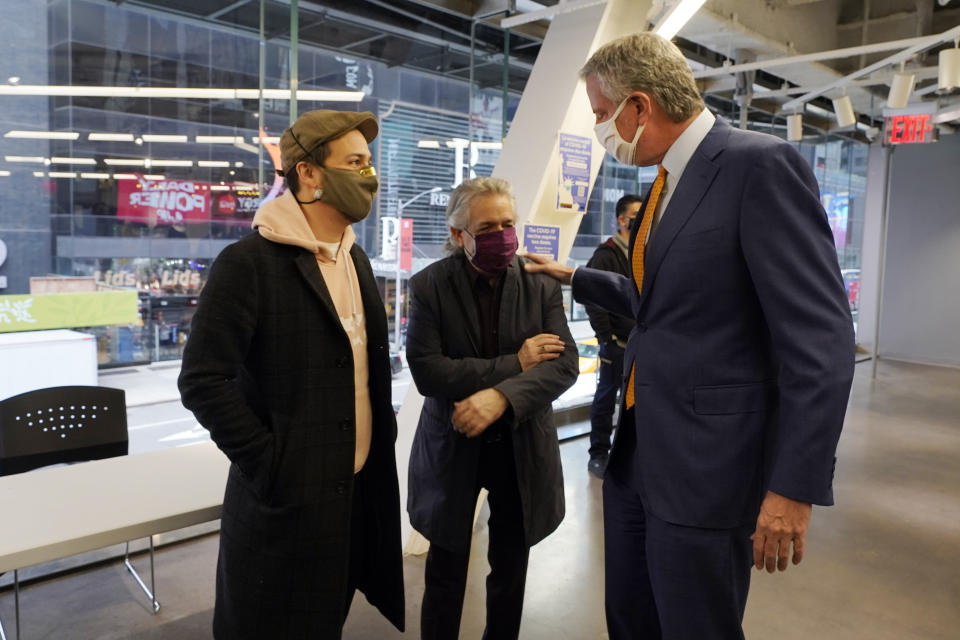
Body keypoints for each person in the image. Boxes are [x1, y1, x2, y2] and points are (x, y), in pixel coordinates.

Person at [524, 33, 855, 639]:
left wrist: (792, 488)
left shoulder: (759, 167)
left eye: (602, 115)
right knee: (630, 618)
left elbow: (822, 345)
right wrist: (575, 275)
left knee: (696, 626)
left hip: (710, 469)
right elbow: (668, 307)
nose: (602, 129)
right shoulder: (664, 184)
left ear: (640, 106)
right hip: (637, 459)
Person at [178, 109, 404, 639]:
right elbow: (203, 381)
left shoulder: (357, 260)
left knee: (325, 621)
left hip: (351, 501)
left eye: (369, 163)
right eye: (355, 163)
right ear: (308, 173)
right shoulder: (248, 264)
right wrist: (270, 463)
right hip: (282, 512)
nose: (369, 176)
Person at [405, 177, 579, 640]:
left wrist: (500, 395)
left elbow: (564, 365)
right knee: (445, 567)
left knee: (511, 566)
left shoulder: (539, 285)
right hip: (453, 441)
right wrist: (515, 364)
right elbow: (427, 371)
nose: (501, 234)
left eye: (507, 223)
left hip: (519, 443)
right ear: (459, 233)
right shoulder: (428, 286)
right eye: (487, 226)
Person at [584, 194, 642, 478]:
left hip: (640, 345)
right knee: (606, 399)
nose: (640, 219)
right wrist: (606, 338)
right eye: (634, 215)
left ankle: (628, 455)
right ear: (621, 219)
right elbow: (594, 299)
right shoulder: (606, 255)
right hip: (616, 345)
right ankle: (598, 454)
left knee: (636, 402)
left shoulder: (644, 252)